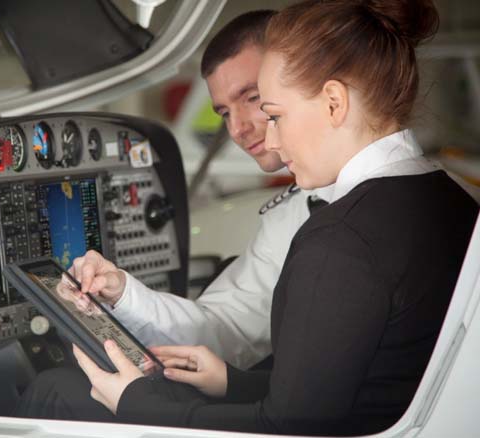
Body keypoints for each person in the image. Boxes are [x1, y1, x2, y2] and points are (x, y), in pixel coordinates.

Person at [28, 0, 479, 435]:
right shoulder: (455, 202)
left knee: (54, 390)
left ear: (334, 103)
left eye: (273, 114)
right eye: (227, 112)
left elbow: (287, 429)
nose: (269, 139)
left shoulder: (339, 240)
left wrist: (135, 401)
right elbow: (347, 393)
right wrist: (233, 382)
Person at [83, 9, 315, 371]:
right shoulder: (295, 213)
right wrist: (122, 292)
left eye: (252, 97)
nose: (236, 129)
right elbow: (227, 329)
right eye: (224, 113)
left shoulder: (347, 204)